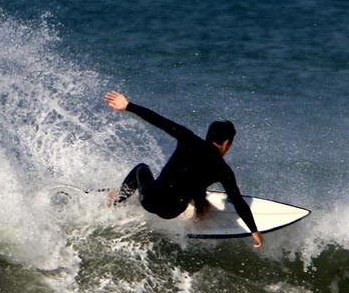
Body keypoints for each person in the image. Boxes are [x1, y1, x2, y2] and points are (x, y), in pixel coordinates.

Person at [104, 90, 263, 249]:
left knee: (142, 167)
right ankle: (200, 211)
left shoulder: (188, 138)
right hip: (171, 211)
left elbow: (159, 120)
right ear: (227, 143)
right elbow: (238, 201)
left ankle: (118, 200)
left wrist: (128, 106)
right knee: (197, 183)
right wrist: (254, 231)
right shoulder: (223, 170)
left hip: (149, 199)